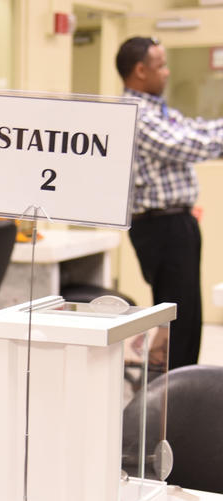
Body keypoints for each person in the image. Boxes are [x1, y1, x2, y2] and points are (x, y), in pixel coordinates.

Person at [117, 35, 223, 369]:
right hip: (160, 226)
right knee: (177, 319)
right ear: (139, 70)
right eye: (160, 65)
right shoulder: (136, 114)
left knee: (188, 316)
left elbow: (197, 130)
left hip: (177, 222)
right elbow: (185, 145)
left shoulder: (157, 110)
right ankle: (173, 403)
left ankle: (180, 392)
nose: (167, 72)